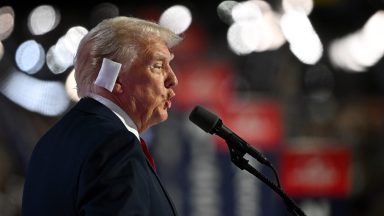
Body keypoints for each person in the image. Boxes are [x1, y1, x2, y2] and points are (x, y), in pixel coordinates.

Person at [22, 16, 182, 216]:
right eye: (158, 66)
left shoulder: (49, 142)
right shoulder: (115, 144)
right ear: (115, 78)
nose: (173, 79)